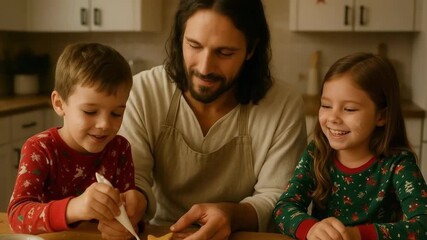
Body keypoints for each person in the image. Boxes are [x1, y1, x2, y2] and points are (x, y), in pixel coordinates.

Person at [100, 0, 307, 239]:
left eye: (224, 52)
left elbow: (278, 198)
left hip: (243, 235)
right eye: (194, 46)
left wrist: (232, 215)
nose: (205, 67)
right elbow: (135, 178)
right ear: (180, 38)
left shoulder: (283, 104)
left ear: (251, 49)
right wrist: (131, 204)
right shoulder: (144, 91)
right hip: (163, 232)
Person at [273, 52, 427, 240]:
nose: (333, 118)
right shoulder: (317, 153)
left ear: (381, 116)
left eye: (349, 109)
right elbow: (284, 208)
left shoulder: (398, 164)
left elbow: (422, 224)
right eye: (326, 105)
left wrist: (356, 235)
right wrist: (311, 229)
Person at [7, 42, 140, 236]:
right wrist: (75, 208)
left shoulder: (119, 149)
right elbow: (17, 216)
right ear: (59, 104)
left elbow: (128, 217)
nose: (104, 124)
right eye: (90, 111)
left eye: (116, 113)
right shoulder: (40, 148)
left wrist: (129, 223)